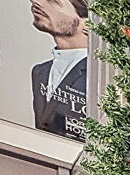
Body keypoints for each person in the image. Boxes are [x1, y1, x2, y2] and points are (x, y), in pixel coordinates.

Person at [30, 0, 88, 140]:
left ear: (88, 21)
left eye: (53, 1)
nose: (35, 2)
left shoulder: (99, 73)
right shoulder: (39, 71)